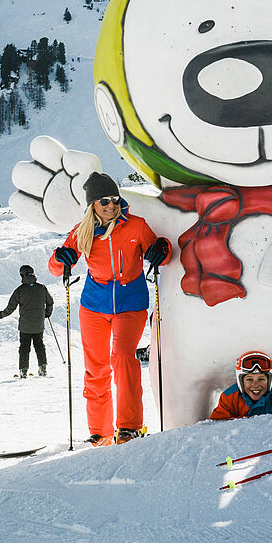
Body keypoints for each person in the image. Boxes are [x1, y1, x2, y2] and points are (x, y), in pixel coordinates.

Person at [49, 172, 171, 446]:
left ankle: (129, 428)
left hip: (131, 303)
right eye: (104, 200)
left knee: (123, 358)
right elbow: (55, 266)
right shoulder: (83, 231)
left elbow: (160, 252)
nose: (111, 205)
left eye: (115, 199)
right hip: (94, 306)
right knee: (96, 368)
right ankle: (100, 432)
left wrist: (161, 249)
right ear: (92, 203)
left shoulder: (136, 226)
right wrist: (60, 258)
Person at [210, 351, 272, 419]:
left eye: (261, 379)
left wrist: (270, 419)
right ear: (241, 381)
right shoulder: (229, 397)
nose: (255, 385)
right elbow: (216, 425)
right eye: (249, 379)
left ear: (269, 380)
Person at [0, 264, 54, 378]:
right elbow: (50, 302)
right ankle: (43, 368)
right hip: (38, 324)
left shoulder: (20, 290)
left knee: (24, 347)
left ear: (22, 275)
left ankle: (23, 371)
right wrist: (47, 313)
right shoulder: (42, 288)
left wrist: (1, 314)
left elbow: (11, 307)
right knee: (39, 346)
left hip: (25, 326)